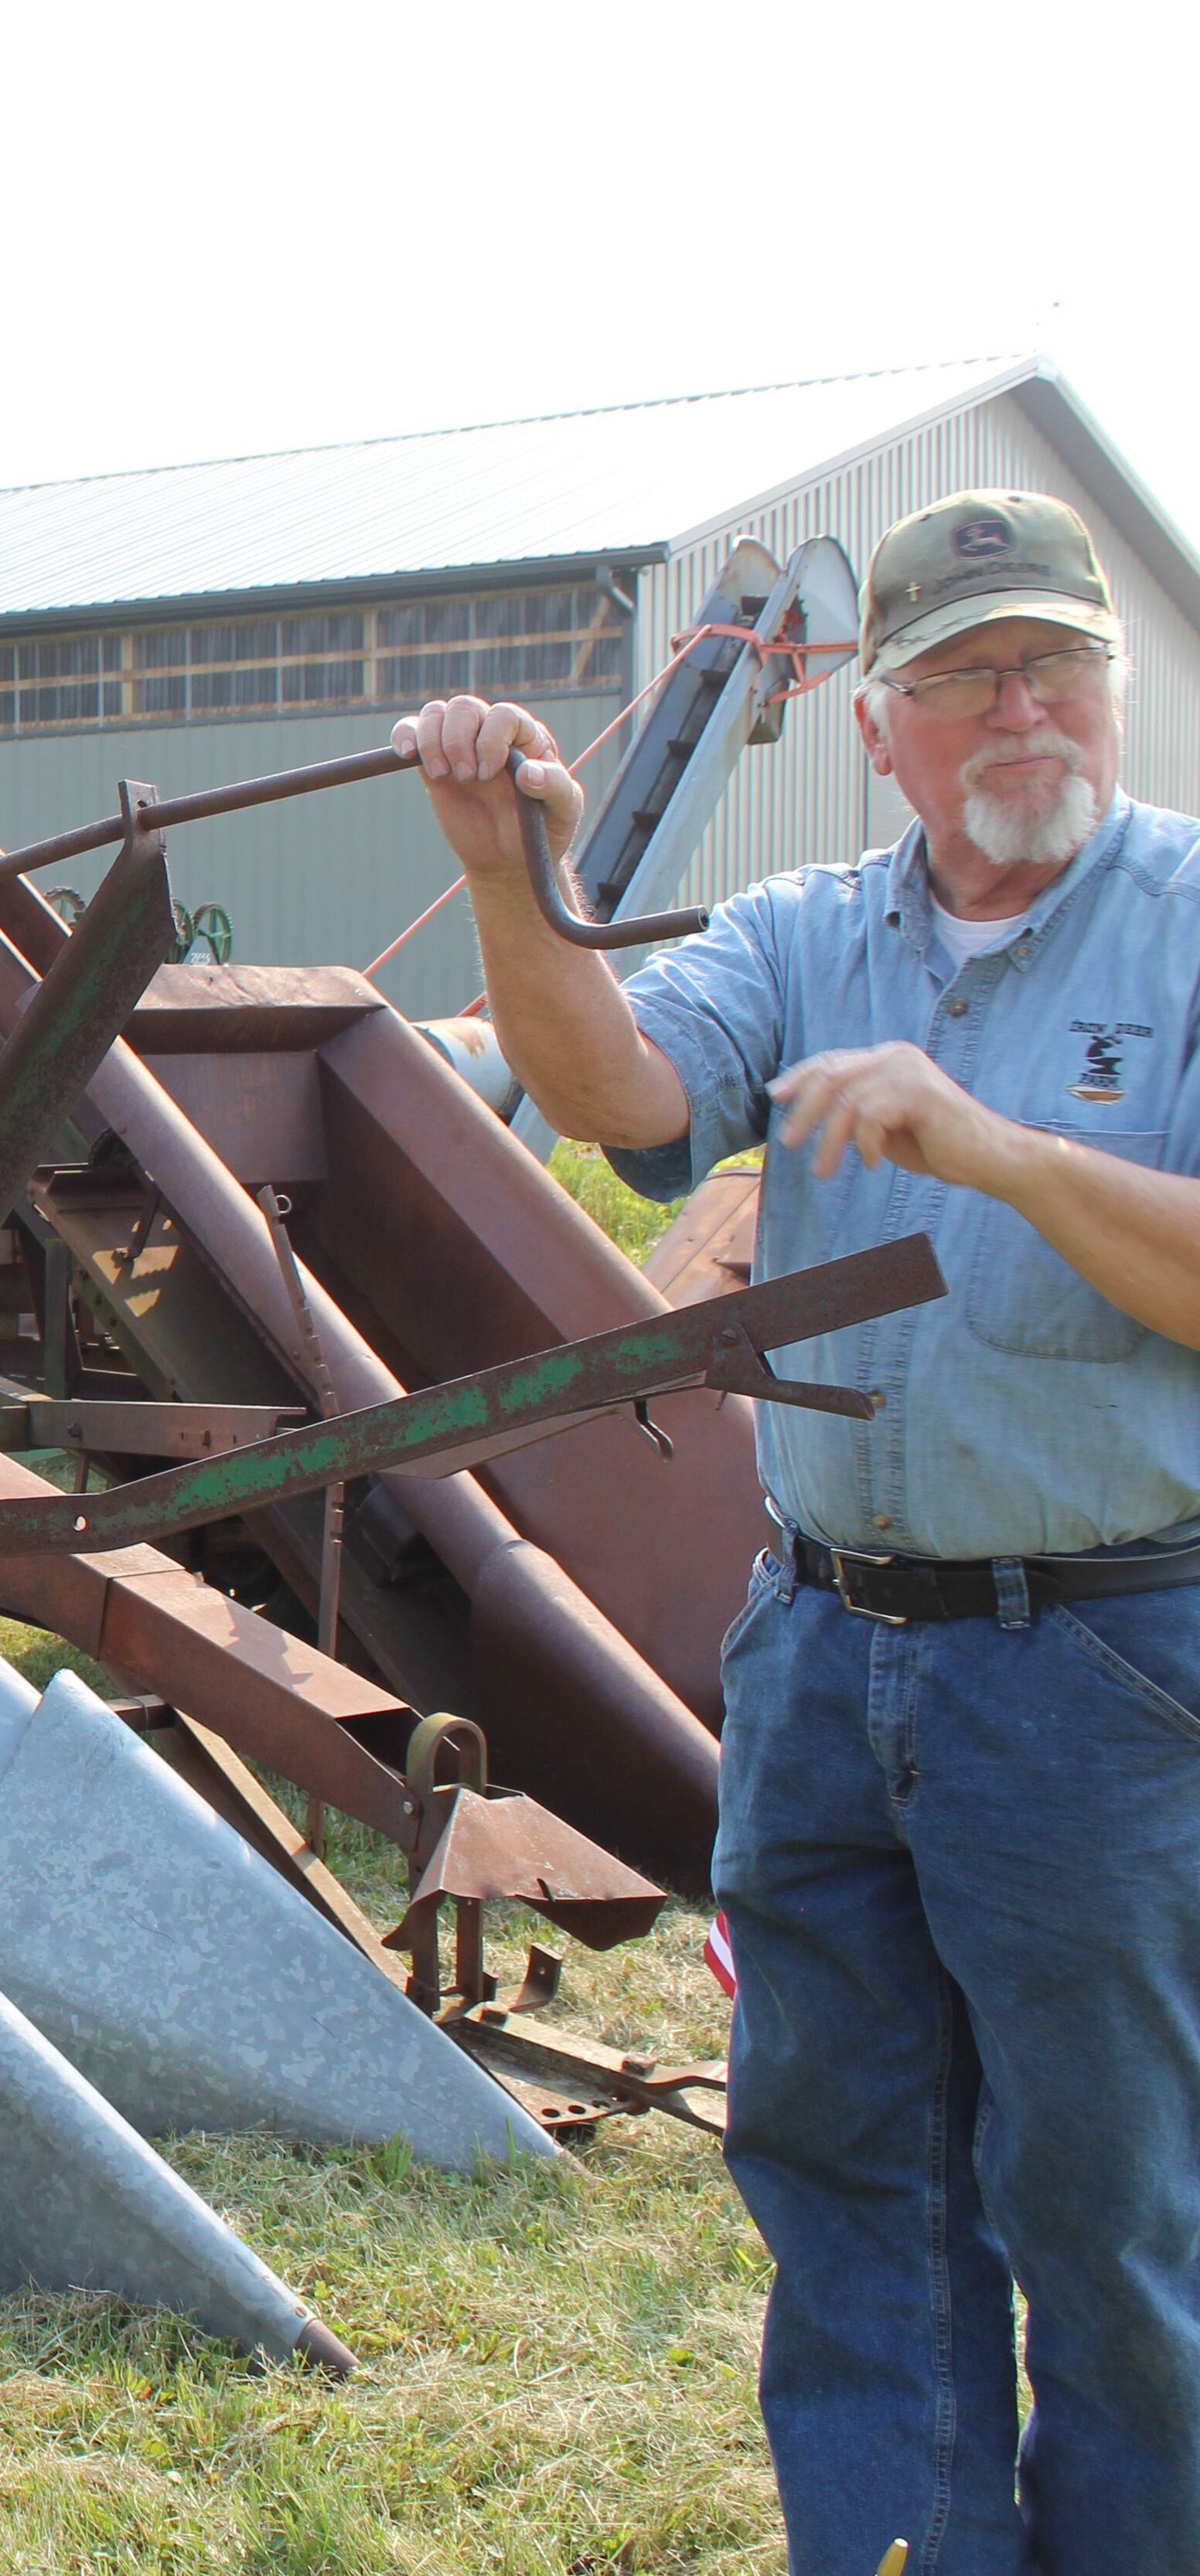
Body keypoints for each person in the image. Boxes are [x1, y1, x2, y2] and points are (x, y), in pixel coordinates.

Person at [398, 488, 1200, 2576]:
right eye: (968, 677)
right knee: (842, 2177)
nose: (1027, 710)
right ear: (889, 721)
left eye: (1061, 665)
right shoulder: (805, 930)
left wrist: (998, 1149)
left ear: (1114, 687)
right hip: (830, 1657)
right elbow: (625, 1104)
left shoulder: (1190, 924)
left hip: (1105, 1664)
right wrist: (514, 885)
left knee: (1111, 2203)